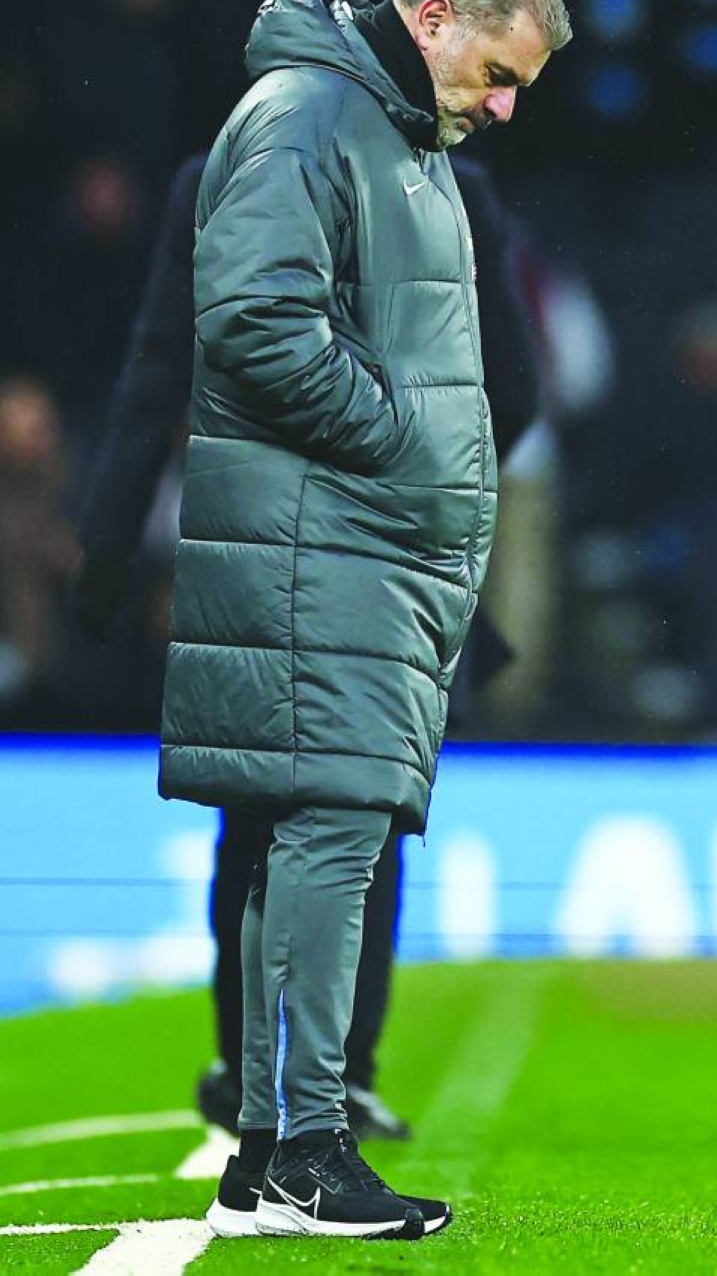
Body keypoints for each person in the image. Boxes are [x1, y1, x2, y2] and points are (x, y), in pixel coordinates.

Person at [157, 0, 569, 1240]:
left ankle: (274, 1145)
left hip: (357, 548)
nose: (502, 106)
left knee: (318, 836)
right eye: (499, 72)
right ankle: (308, 1151)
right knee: (332, 828)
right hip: (319, 544)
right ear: (438, 18)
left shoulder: (396, 132)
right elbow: (256, 323)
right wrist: (400, 442)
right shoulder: (307, 116)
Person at [74, 143, 541, 1144]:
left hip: (253, 548)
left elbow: (157, 369)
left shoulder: (207, 178)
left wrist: (107, 548)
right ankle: (344, 1076)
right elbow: (515, 383)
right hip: (386, 556)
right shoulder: (456, 185)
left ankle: (245, 1066)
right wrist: (428, 493)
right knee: (363, 808)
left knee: (252, 813)